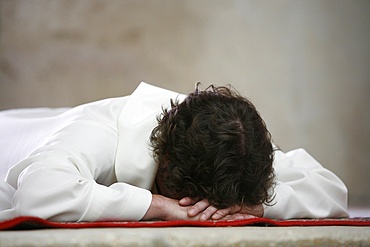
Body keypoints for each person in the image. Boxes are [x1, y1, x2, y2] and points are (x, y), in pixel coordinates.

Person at [0, 82, 348, 222]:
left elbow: (328, 188)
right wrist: (160, 206)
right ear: (165, 163)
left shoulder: (232, 138)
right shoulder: (100, 130)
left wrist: (254, 205)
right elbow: (38, 194)